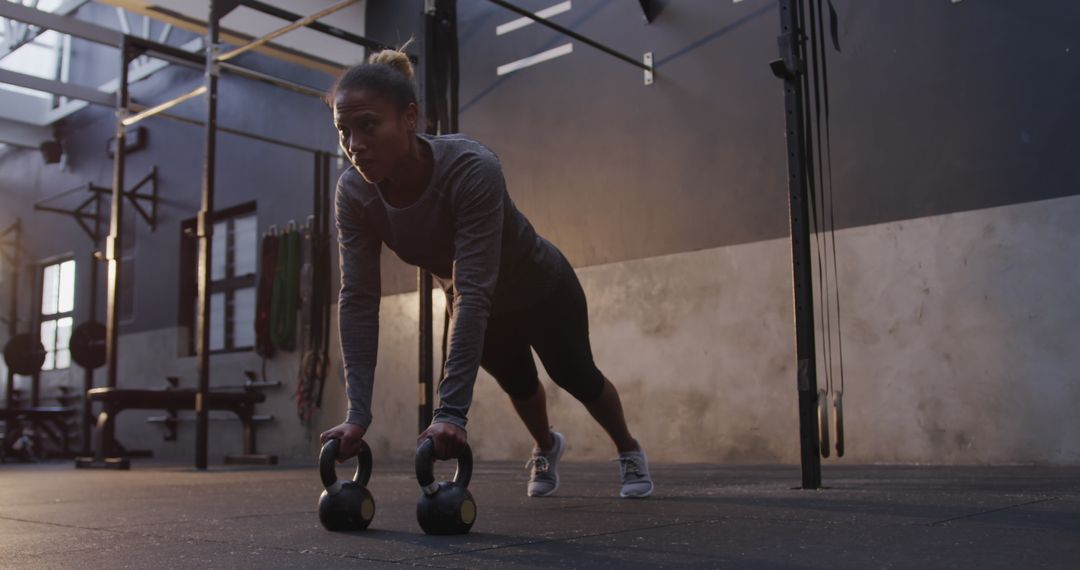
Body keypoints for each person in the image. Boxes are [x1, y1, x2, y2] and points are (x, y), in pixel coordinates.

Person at [319, 46, 653, 499]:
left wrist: (451, 413)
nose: (354, 145)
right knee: (519, 382)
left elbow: (474, 288)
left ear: (409, 118)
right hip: (474, 300)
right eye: (343, 131)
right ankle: (546, 445)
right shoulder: (354, 194)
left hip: (540, 286)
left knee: (576, 375)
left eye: (368, 127)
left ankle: (628, 449)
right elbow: (357, 299)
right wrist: (357, 413)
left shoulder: (471, 167)